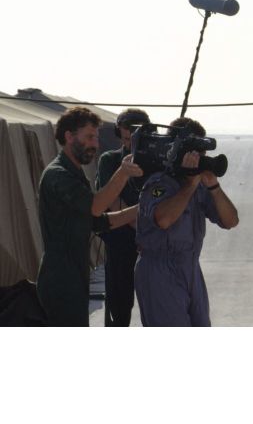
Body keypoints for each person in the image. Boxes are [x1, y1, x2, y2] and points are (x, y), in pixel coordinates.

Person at [37, 107, 144, 326]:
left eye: (96, 137)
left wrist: (144, 208)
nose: (95, 144)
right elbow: (96, 207)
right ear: (69, 136)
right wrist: (123, 173)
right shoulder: (58, 174)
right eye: (89, 137)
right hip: (60, 278)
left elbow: (101, 221)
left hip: (75, 275)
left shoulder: (74, 174)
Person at [134, 117, 239, 326]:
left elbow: (231, 221)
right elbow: (163, 219)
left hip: (190, 267)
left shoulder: (199, 185)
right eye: (195, 153)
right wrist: (190, 185)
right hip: (159, 271)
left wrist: (213, 187)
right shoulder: (159, 183)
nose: (199, 158)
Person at [95, 108, 150, 326]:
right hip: (121, 241)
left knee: (157, 302)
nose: (129, 144)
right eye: (126, 138)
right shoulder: (110, 160)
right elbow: (111, 200)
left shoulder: (155, 162)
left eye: (134, 139)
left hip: (150, 244)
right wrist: (141, 227)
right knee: (119, 304)